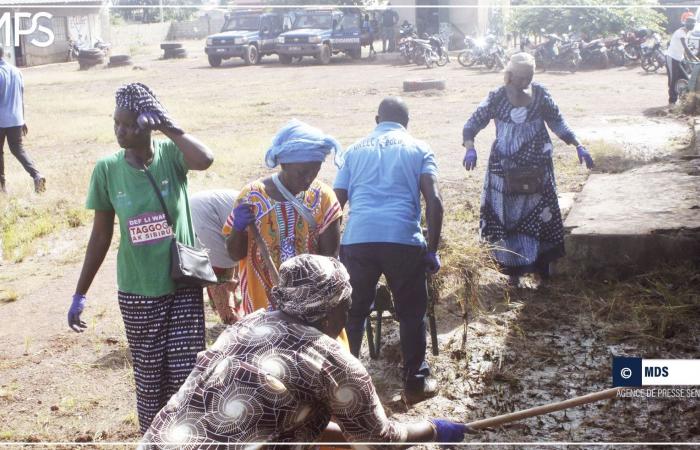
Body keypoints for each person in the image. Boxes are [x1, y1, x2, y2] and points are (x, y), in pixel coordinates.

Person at [141, 254, 469, 448]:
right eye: (347, 303)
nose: (351, 310)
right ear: (330, 312)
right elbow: (378, 441)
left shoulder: (249, 324)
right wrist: (434, 428)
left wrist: (352, 429)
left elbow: (274, 413)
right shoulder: (331, 361)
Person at [67, 82, 214, 434]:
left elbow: (205, 159)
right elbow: (101, 235)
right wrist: (80, 292)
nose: (121, 131)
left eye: (130, 124)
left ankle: (189, 439)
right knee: (150, 381)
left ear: (148, 125)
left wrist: (168, 125)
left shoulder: (171, 156)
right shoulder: (107, 169)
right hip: (138, 291)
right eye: (116, 123)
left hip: (181, 284)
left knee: (186, 374)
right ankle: (155, 440)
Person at [333, 97, 444, 404]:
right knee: (411, 313)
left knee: (353, 314)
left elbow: (335, 202)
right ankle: (414, 384)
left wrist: (333, 250)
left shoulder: (353, 150)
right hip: (402, 240)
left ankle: (345, 385)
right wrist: (432, 250)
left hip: (358, 240)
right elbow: (434, 201)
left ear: (376, 119)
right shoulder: (418, 148)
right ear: (406, 124)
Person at [461, 53, 593, 287]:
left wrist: (578, 144)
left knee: (542, 215)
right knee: (508, 218)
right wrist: (470, 148)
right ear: (509, 76)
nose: (525, 83)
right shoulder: (496, 97)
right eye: (521, 78)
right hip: (504, 171)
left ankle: (543, 271)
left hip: (538, 169)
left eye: (529, 77)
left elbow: (558, 122)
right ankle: (514, 271)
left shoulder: (540, 94)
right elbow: (472, 124)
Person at [224, 119, 342, 317]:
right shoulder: (252, 196)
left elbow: (330, 260)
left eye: (316, 170)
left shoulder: (323, 198)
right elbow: (235, 255)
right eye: (302, 172)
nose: (308, 178)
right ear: (284, 163)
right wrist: (237, 229)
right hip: (261, 305)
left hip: (311, 306)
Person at [190, 189, 241, 325]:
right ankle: (230, 319)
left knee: (225, 270)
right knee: (220, 273)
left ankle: (230, 310)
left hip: (199, 207)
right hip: (205, 214)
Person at [0, 47, 45, 194]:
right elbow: (21, 97)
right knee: (18, 149)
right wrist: (23, 119)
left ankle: (2, 186)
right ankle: (37, 175)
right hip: (16, 119)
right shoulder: (16, 71)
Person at [666, 17, 699, 105]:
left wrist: (687, 58)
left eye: (693, 24)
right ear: (686, 24)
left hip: (679, 58)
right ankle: (672, 101)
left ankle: (684, 99)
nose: (692, 25)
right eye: (691, 24)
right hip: (672, 57)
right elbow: (685, 47)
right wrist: (696, 58)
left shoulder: (687, 32)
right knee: (673, 79)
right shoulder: (681, 32)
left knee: (684, 78)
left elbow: (683, 49)